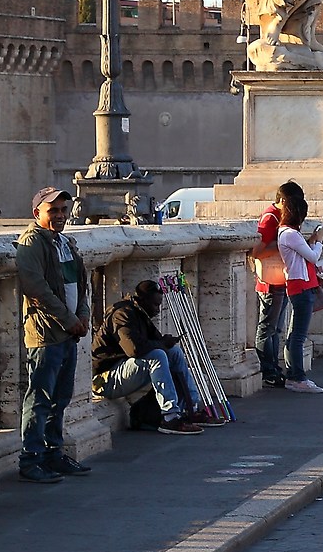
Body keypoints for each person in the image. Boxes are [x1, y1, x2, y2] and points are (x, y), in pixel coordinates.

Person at [15, 187, 91, 483]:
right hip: (46, 333)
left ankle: (53, 454)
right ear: (38, 214)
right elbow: (36, 289)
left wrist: (82, 315)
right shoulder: (32, 242)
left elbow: (79, 284)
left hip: (69, 331)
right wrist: (69, 319)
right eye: (53, 211)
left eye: (62, 210)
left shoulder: (65, 243)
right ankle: (30, 459)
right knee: (40, 397)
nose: (60, 215)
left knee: (60, 397)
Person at [91, 280, 208, 431]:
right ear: (143, 300)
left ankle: (191, 407)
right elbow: (133, 350)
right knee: (157, 356)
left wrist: (166, 341)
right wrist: (162, 344)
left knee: (174, 353)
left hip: (123, 371)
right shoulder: (122, 314)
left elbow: (155, 342)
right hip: (105, 380)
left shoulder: (140, 313)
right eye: (155, 304)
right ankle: (170, 417)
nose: (158, 310)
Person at [253, 181, 323, 391]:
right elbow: (258, 251)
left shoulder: (282, 222)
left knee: (277, 328)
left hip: (282, 279)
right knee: (269, 328)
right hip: (271, 280)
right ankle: (269, 370)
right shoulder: (272, 219)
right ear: (285, 201)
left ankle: (275, 369)